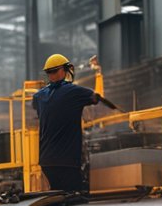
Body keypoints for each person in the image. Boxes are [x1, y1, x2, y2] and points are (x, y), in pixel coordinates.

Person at [31, 54, 120, 193]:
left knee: (57, 194)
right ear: (64, 70)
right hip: (67, 160)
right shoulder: (74, 92)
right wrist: (114, 107)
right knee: (74, 197)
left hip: (46, 161)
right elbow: (95, 98)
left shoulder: (38, 96)